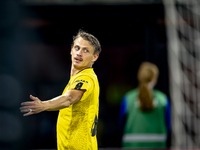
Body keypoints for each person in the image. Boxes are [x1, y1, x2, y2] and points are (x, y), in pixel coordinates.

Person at [20, 30, 101, 150]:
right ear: (71, 50)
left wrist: (44, 105)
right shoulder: (76, 80)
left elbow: (69, 98)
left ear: (95, 57)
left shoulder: (86, 77)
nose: (79, 53)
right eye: (77, 48)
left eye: (86, 50)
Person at [119, 62, 171, 149]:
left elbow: (121, 125)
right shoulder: (163, 99)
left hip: (132, 146)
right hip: (157, 145)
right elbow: (168, 125)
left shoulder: (128, 99)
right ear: (155, 79)